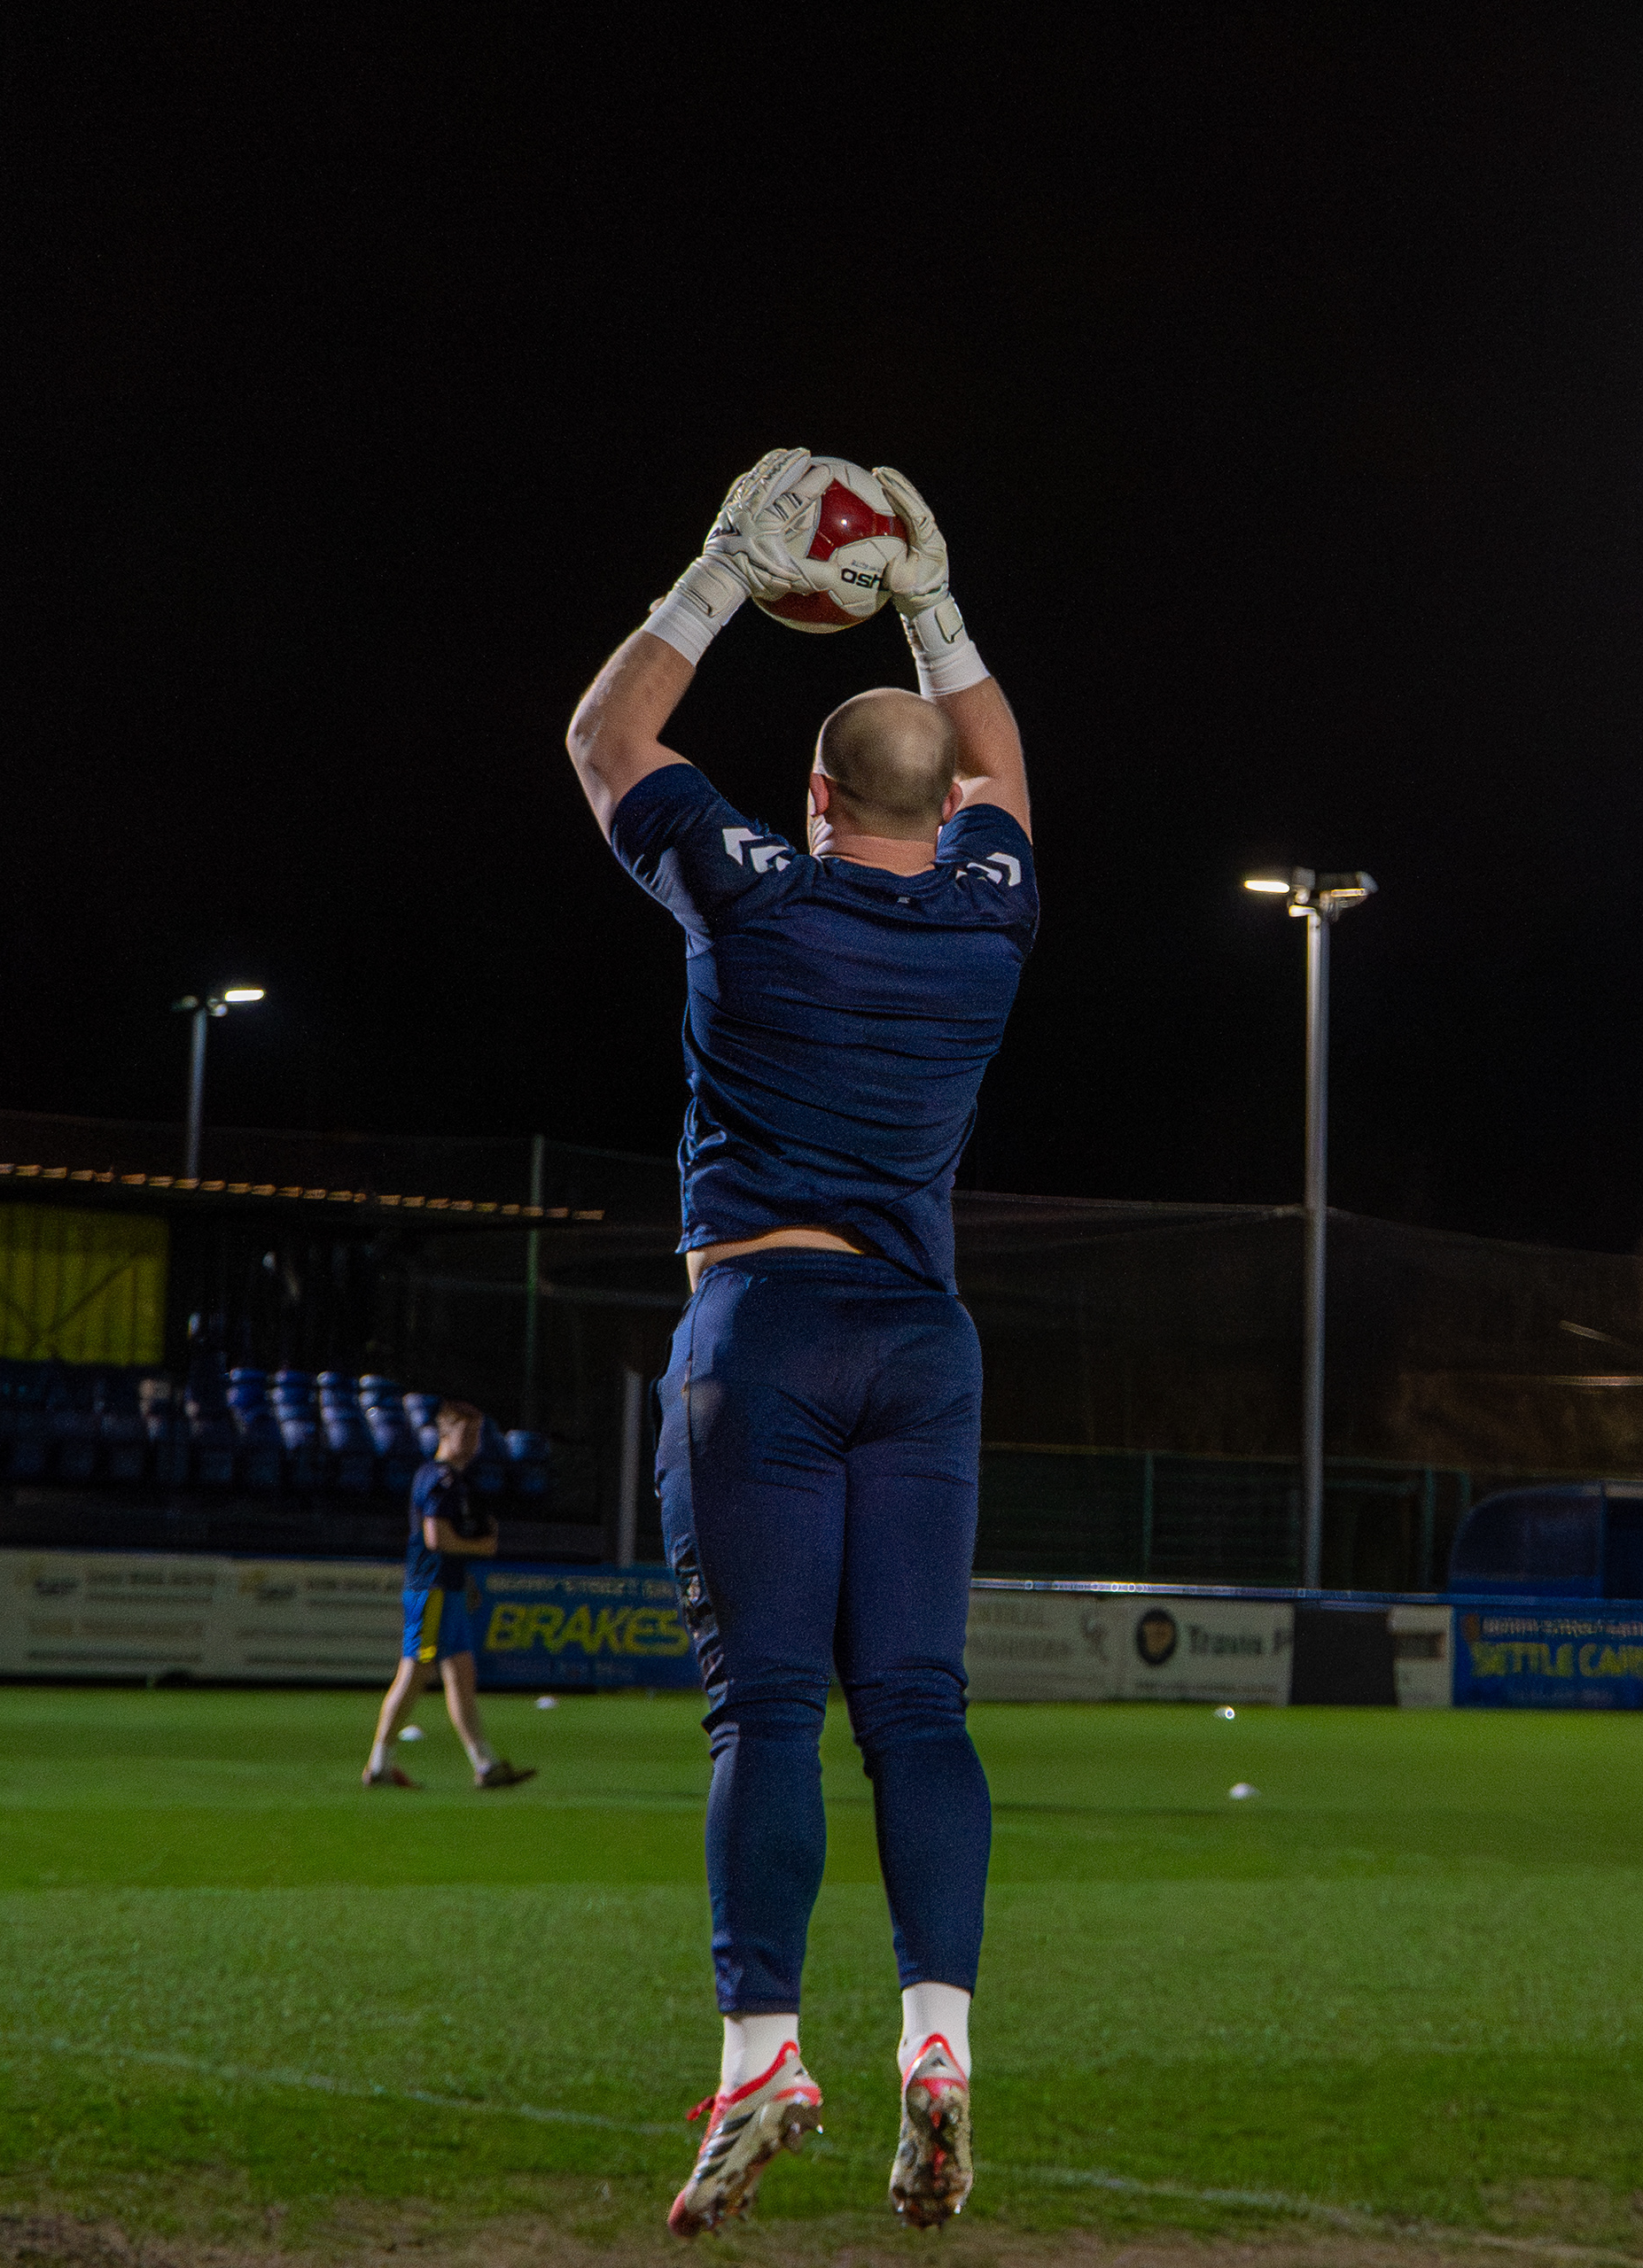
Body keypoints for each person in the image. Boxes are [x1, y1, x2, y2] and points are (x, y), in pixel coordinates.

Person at [565, 451, 1032, 2236]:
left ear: (814, 796)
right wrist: (935, 605)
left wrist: (713, 578)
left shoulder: (756, 893)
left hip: (764, 1327)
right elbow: (1002, 779)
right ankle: (941, 2037)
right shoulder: (992, 917)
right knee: (918, 1705)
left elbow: (606, 739)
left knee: (765, 1706)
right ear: (940, 805)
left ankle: (764, 2050)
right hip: (926, 1344)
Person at [361, 1400, 533, 1791]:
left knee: (462, 1674)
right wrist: (482, 1547)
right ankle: (380, 1765)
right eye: (465, 1433)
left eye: (477, 1434)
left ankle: (486, 1764)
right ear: (444, 1434)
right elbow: (436, 1538)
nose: (473, 1442)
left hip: (446, 1589)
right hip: (431, 1590)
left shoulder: (452, 1479)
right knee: (415, 1672)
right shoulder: (441, 1479)